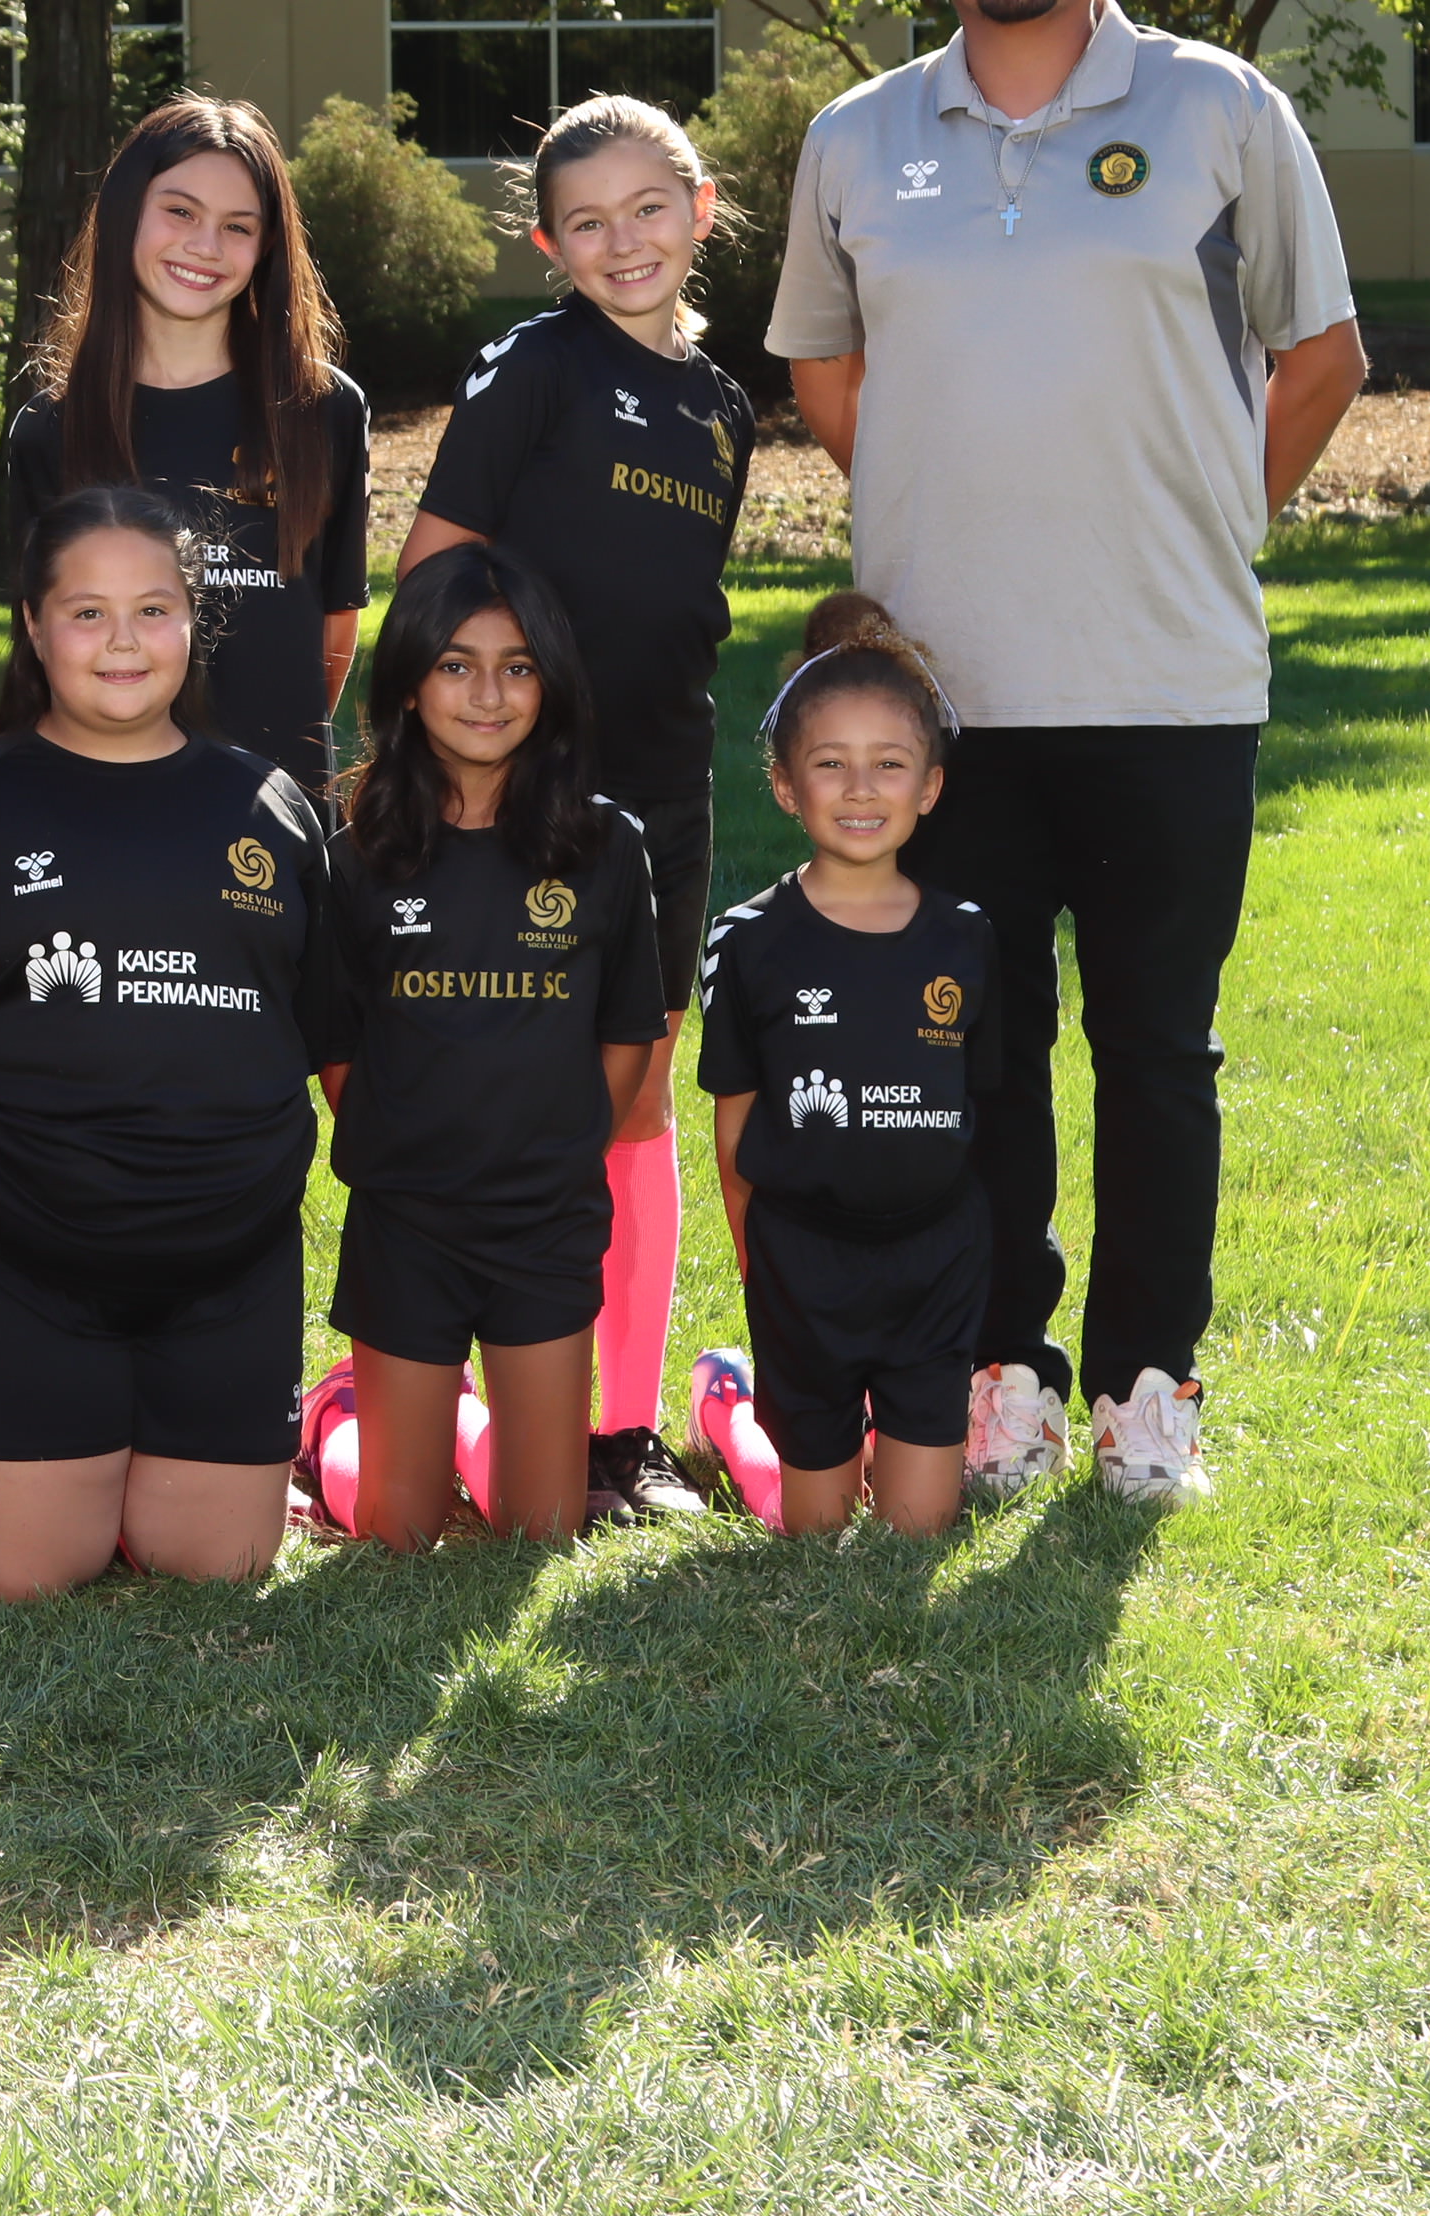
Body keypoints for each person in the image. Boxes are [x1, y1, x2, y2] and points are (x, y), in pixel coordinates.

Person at [768, 0, 1364, 1506]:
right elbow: (825, 375)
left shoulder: (1220, 108)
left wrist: (1210, 516)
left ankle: (1148, 1387)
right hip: (945, 701)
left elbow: (1321, 356)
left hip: (1170, 679)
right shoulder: (857, 139)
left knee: (1159, 1053)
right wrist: (949, 508)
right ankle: (1008, 1375)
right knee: (981, 1047)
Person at [0, 488, 350, 1599]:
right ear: (32, 625)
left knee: (218, 1567)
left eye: (153, 609)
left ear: (193, 620)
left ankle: (293, 1413)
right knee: (22, 1572)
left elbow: (321, 1036)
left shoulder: (270, 809)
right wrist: (21, 1159)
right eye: (87, 612)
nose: (123, 640)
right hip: (19, 1270)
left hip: (227, 1267)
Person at [397, 96, 749, 1528]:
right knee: (501, 1081)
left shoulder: (722, 405)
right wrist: (470, 747)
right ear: (549, 245)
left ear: (701, 209)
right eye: (587, 222)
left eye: (649, 208)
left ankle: (620, 1426)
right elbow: (433, 576)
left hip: (664, 792)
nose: (624, 241)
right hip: (520, 788)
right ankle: (434, 1380)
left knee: (638, 1089)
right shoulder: (536, 366)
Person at [298, 547, 666, 1549]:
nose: (489, 694)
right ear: (409, 684)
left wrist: (561, 1143)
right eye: (456, 665)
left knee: (541, 1528)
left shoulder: (606, 847)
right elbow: (339, 1047)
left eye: (518, 666)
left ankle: (461, 1429)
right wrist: (409, 1142)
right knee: (398, 1532)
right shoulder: (356, 857)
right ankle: (335, 1426)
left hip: (544, 1222)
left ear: (552, 682)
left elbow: (628, 1034)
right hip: (406, 1220)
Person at [689, 596, 998, 1541]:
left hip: (934, 1264)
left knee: (917, 1530)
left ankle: (880, 1428)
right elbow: (735, 1135)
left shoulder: (968, 937)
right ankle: (728, 1408)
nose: (861, 788)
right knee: (814, 1532)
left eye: (889, 764)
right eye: (831, 763)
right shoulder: (747, 941)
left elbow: (983, 1116)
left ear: (930, 787)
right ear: (786, 786)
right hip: (804, 1265)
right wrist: (761, 1267)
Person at [1, 99, 373, 795]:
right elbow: (45, 644)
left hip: (273, 805)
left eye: (238, 226)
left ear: (267, 245)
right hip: (105, 804)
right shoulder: (52, 428)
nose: (206, 246)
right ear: (125, 214)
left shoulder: (322, 410)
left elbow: (335, 623)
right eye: (180, 212)